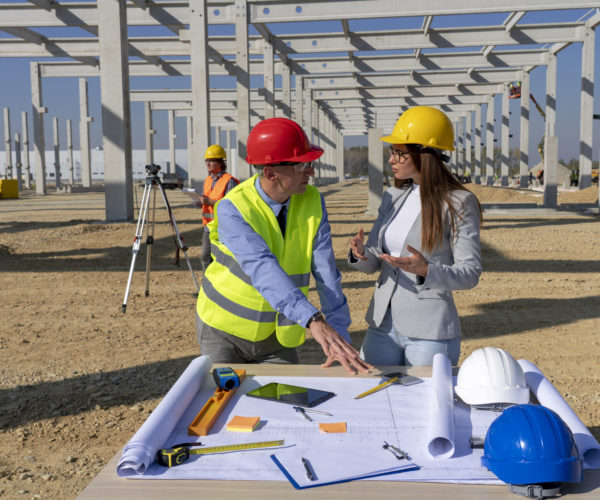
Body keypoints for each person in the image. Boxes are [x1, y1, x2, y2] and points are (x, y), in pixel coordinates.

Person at [195, 117, 371, 374]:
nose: (311, 171)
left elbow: (326, 273)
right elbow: (261, 267)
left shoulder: (312, 200)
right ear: (271, 173)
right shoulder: (233, 208)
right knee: (225, 406)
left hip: (276, 338)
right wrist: (313, 320)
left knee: (290, 405)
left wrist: (339, 334)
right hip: (223, 330)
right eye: (302, 165)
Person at [348, 106, 482, 366]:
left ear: (425, 155)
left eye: (399, 154)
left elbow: (470, 273)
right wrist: (361, 254)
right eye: (392, 153)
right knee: (373, 399)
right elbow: (375, 260)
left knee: (423, 406)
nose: (391, 161)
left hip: (428, 331)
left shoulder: (459, 202)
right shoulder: (392, 197)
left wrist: (427, 270)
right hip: (382, 325)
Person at [198, 145, 239, 271]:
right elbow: (208, 199)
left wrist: (209, 202)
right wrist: (201, 202)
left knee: (222, 259)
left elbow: (230, 206)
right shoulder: (207, 180)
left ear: (221, 162)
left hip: (223, 226)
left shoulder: (229, 181)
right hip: (208, 226)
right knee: (205, 257)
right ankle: (207, 288)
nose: (208, 163)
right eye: (207, 160)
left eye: (212, 160)